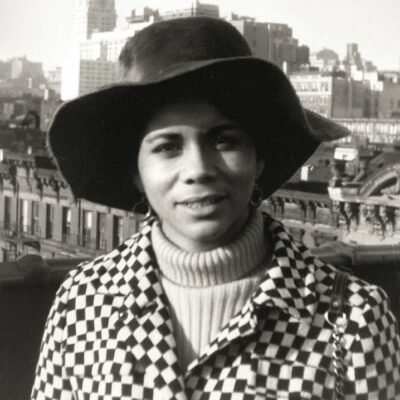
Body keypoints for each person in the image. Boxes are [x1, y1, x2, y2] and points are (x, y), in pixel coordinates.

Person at [31, 17, 400, 400]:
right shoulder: (83, 302)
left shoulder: (352, 319)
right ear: (136, 173)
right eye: (167, 147)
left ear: (259, 158)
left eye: (224, 140)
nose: (198, 170)